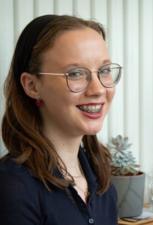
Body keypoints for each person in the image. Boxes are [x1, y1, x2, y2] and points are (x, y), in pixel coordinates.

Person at [0, 15, 122, 225]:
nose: (98, 89)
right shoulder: (13, 187)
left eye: (104, 71)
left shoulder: (101, 180)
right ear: (32, 86)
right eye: (75, 73)